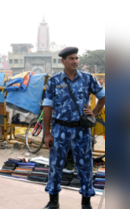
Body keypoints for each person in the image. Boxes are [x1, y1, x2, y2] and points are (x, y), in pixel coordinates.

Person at [42, 47, 105, 209]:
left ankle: (86, 203)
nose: (75, 61)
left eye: (77, 58)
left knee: (85, 166)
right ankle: (53, 201)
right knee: (55, 166)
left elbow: (103, 96)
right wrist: (47, 133)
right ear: (63, 61)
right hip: (60, 129)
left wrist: (94, 113)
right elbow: (47, 107)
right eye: (71, 58)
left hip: (81, 130)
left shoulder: (87, 78)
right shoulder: (54, 80)